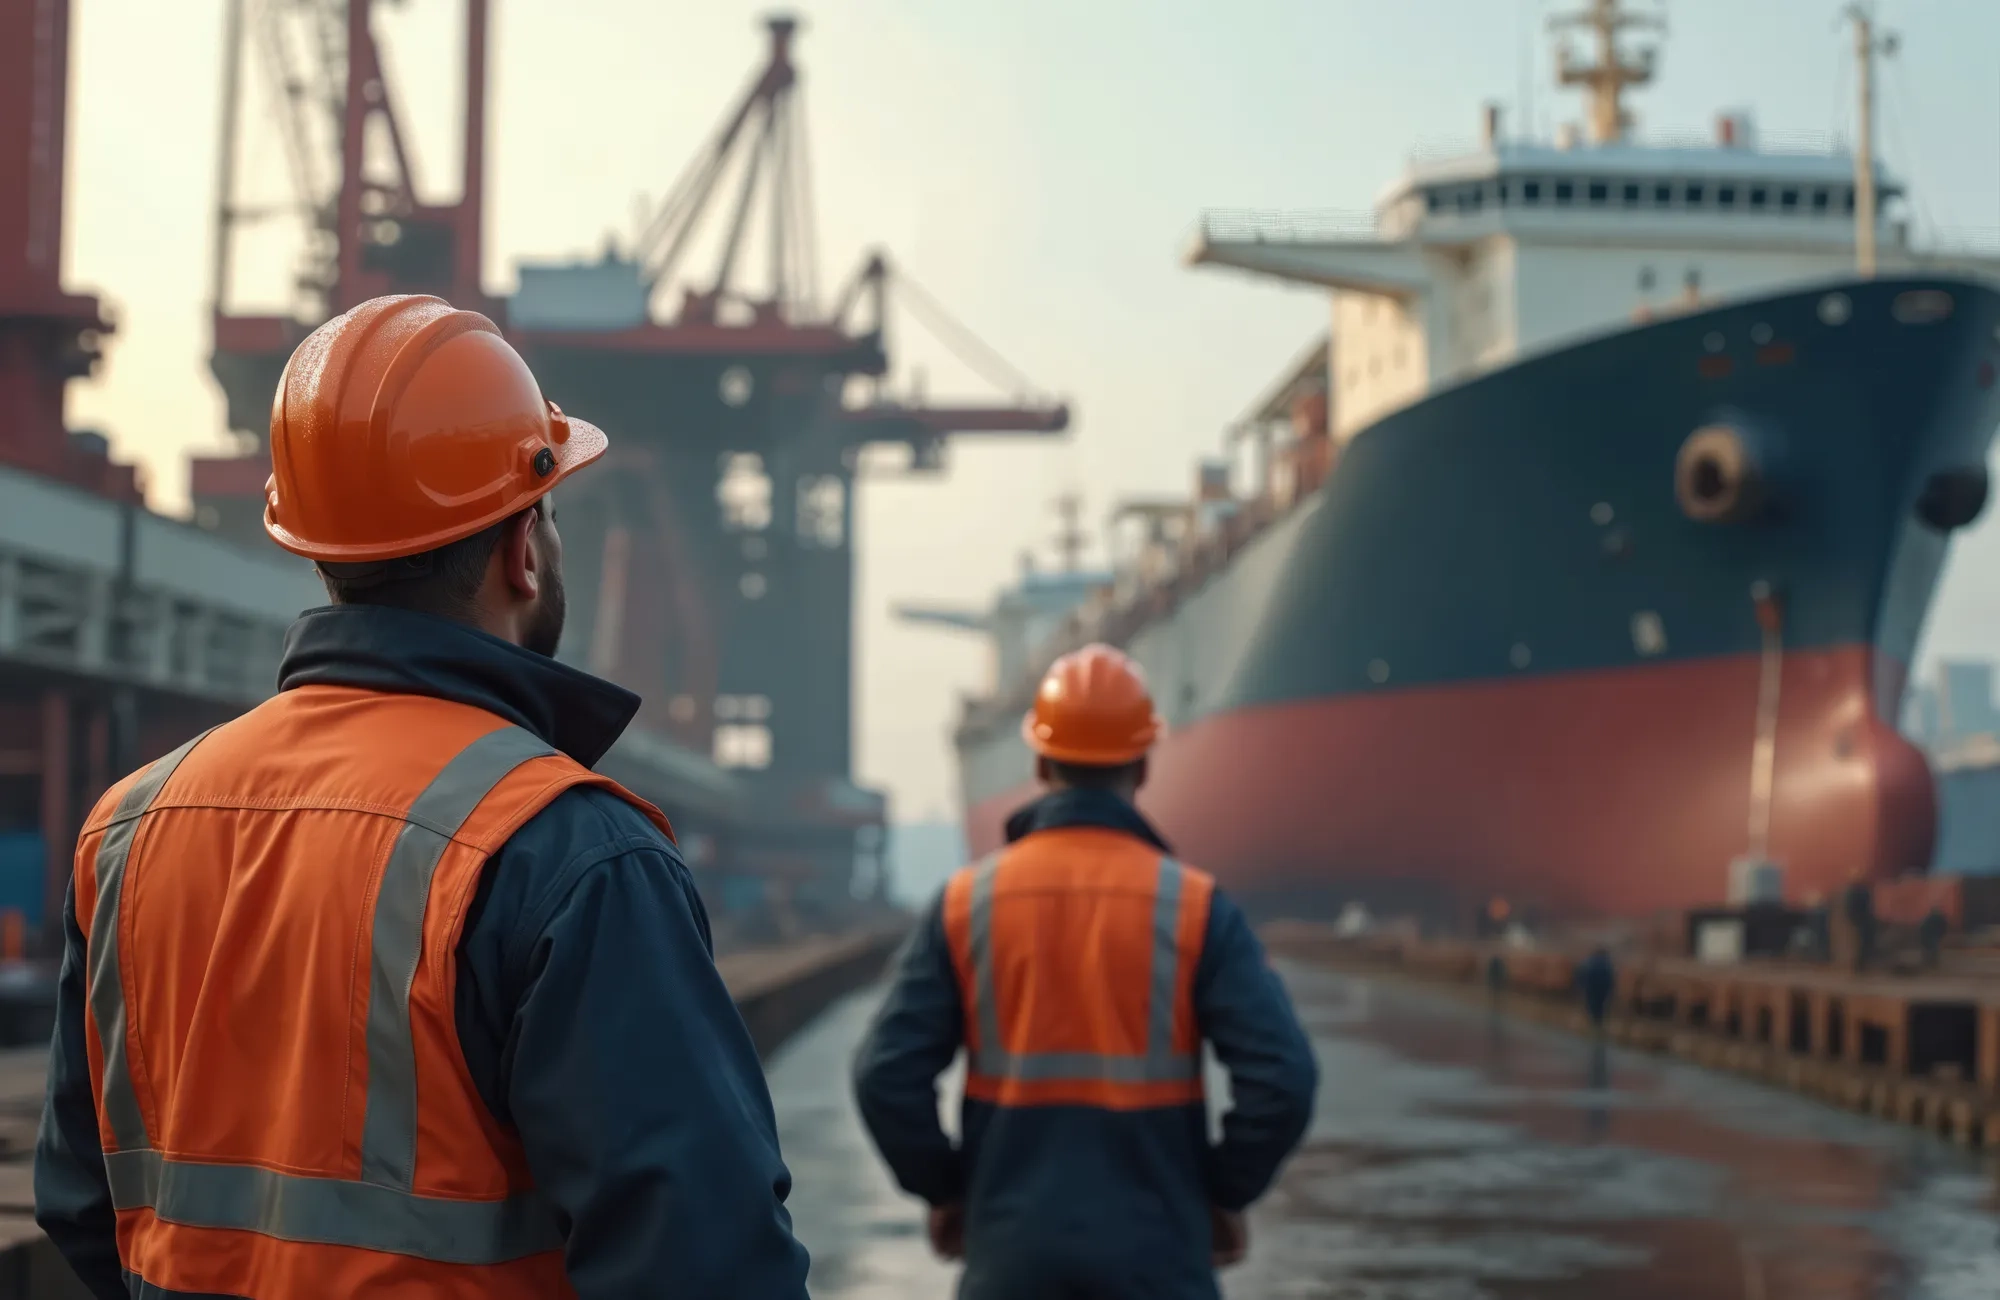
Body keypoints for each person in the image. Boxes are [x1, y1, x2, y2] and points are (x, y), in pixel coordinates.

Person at [33, 295, 811, 1299]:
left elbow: (80, 1207)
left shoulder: (128, 830)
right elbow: (709, 1268)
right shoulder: (567, 855)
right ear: (522, 547)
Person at [851, 644, 1318, 1300]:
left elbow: (884, 1077)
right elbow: (1284, 1081)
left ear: (1040, 763)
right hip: (1161, 1265)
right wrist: (1217, 1193)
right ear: (1144, 763)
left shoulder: (966, 904)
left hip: (1009, 1265)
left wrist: (951, 1191)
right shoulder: (1194, 907)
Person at [1576, 946, 1616, 1032]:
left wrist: (1582, 987)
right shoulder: (1607, 964)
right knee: (1601, 1007)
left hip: (1591, 989)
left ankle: (1593, 1024)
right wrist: (1609, 990)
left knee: (1592, 1006)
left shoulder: (1590, 962)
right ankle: (1598, 1024)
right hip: (1602, 990)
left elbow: (1582, 975)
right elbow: (1610, 978)